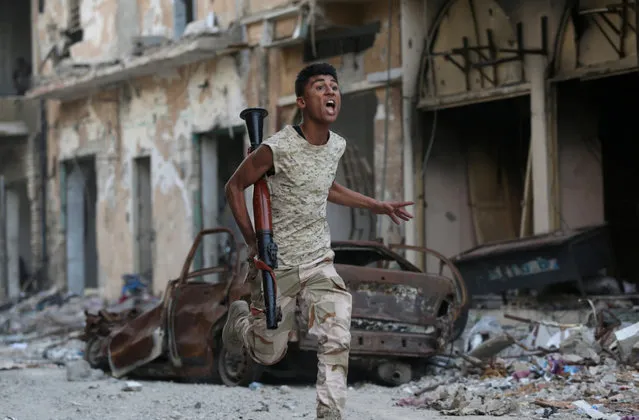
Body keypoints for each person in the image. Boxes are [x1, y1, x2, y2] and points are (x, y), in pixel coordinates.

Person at [223, 62, 413, 419]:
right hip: (275, 264)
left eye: (334, 87)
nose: (330, 92)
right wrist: (252, 242)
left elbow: (326, 187)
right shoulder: (275, 148)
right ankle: (239, 322)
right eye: (320, 87)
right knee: (269, 352)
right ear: (301, 101)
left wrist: (378, 205)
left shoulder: (336, 146)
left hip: (318, 263)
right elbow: (234, 186)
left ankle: (330, 414)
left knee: (337, 335)